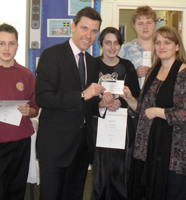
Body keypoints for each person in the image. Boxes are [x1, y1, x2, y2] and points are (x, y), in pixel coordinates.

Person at [35, 7, 113, 200]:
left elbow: (88, 104)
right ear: (73, 27)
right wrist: (81, 95)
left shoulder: (93, 63)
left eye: (94, 31)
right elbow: (43, 97)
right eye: (84, 28)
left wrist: (101, 105)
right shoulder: (51, 55)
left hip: (81, 147)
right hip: (55, 147)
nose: (89, 35)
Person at [121, 26, 186, 200]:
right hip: (148, 145)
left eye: (167, 42)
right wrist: (129, 99)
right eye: (158, 42)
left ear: (177, 46)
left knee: (172, 193)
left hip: (175, 149)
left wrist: (159, 112)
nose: (162, 46)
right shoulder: (153, 71)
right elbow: (143, 109)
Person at [0, 23, 39, 200]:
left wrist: (30, 111)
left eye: (11, 43)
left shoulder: (26, 75)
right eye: (2, 43)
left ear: (17, 46)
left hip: (21, 143)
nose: (6, 48)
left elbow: (35, 109)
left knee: (17, 192)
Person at [91, 27, 140, 200]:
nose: (112, 47)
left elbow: (136, 95)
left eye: (116, 43)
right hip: (99, 125)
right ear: (101, 44)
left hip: (121, 125)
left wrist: (121, 101)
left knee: (120, 173)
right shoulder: (93, 64)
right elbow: (87, 96)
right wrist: (102, 103)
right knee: (100, 174)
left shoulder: (127, 66)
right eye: (108, 43)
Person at [118, 5, 157, 89]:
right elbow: (117, 77)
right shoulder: (125, 49)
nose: (145, 27)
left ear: (155, 24)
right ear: (134, 25)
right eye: (140, 23)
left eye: (149, 22)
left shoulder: (163, 48)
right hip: (132, 99)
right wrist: (134, 75)